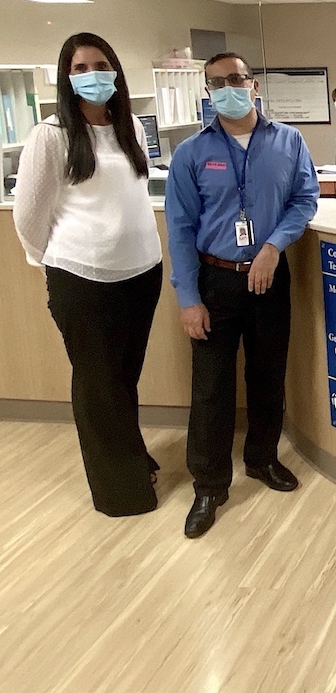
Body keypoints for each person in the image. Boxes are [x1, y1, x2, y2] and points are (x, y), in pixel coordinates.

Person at [165, 52, 319, 539]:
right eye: (217, 82)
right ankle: (209, 486)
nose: (228, 88)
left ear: (253, 84)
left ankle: (261, 459)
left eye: (236, 78)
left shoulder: (288, 140)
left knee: (268, 373)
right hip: (215, 281)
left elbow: (305, 199)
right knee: (211, 387)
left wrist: (274, 245)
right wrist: (189, 299)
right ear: (207, 91)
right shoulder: (191, 152)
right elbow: (180, 229)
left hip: (269, 276)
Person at [14, 33, 163, 517]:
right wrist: (52, 260)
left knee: (124, 377)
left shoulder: (129, 126)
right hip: (83, 279)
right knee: (98, 384)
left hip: (141, 273)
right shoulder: (51, 134)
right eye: (80, 68)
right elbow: (28, 215)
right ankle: (121, 492)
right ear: (66, 76)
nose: (92, 75)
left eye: (100, 65)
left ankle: (132, 456)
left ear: (115, 71)